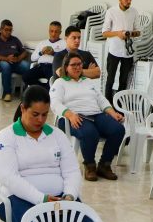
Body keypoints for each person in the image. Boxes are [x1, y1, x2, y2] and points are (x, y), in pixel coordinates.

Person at [0, 86, 97, 222]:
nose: (40, 120)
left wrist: (70, 196)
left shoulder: (57, 135)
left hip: (61, 198)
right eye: (35, 114)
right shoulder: (5, 138)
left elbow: (72, 171)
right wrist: (42, 199)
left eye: (45, 115)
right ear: (23, 109)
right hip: (18, 199)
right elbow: (9, 178)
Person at [50, 52, 126, 181]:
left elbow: (101, 100)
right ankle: (90, 165)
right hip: (73, 117)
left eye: (79, 64)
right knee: (90, 133)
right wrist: (70, 115)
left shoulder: (87, 82)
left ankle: (104, 165)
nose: (77, 67)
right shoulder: (60, 82)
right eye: (73, 65)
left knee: (118, 129)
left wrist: (113, 113)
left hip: (96, 114)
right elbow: (55, 103)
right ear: (66, 67)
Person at [102, 0, 140, 103]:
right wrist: (118, 34)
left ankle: (119, 105)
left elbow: (138, 32)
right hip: (114, 50)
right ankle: (107, 105)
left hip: (128, 52)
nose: (129, 1)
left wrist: (130, 33)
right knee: (110, 79)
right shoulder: (111, 12)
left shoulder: (134, 12)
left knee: (123, 80)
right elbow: (104, 33)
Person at [0, 19, 31, 102]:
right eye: (6, 30)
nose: (8, 32)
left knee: (27, 65)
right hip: (3, 62)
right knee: (6, 66)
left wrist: (18, 58)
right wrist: (6, 58)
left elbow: (25, 53)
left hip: (16, 62)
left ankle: (27, 92)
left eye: (10, 30)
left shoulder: (15, 39)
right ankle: (7, 93)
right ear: (1, 29)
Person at [24, 20, 66, 87]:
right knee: (26, 77)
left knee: (53, 82)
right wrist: (41, 52)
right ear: (49, 31)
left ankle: (44, 91)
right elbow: (32, 58)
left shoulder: (64, 43)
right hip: (40, 66)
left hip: (53, 67)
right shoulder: (42, 43)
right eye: (51, 31)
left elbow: (66, 58)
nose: (53, 34)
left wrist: (53, 53)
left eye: (56, 31)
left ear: (60, 32)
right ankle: (41, 89)